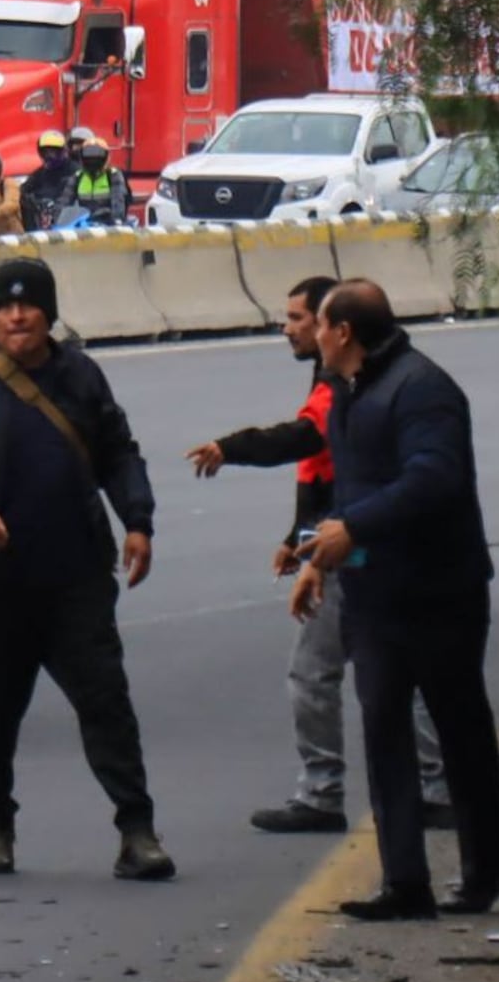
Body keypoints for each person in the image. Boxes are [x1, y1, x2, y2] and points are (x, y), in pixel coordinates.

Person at [0, 257, 174, 882]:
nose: (16, 317)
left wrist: (138, 521)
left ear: (49, 314)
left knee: (106, 702)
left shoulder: (81, 376)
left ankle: (137, 831)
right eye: (4, 308)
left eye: (27, 306)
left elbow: (118, 453)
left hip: (76, 577)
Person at [186, 276, 452, 834]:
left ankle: (327, 794)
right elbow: (328, 471)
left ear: (340, 329)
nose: (289, 330)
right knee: (399, 669)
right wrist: (297, 538)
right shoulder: (359, 380)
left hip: (359, 550)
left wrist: (230, 449)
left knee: (319, 672)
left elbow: (309, 443)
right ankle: (433, 789)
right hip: (353, 544)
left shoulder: (359, 387)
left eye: (301, 320)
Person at [292, 279, 499, 921]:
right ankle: (404, 881)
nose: (312, 337)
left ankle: (482, 876)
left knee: (461, 733)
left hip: (440, 593)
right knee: (384, 731)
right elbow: (349, 490)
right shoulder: (348, 391)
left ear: (344, 333)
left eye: (318, 325)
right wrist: (317, 557)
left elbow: (434, 478)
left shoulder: (421, 388)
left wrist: (353, 529)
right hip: (374, 596)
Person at [20, 130, 77, 228]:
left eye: (53, 152)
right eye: (46, 152)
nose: (49, 156)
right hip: (41, 219)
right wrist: (35, 202)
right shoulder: (40, 173)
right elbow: (24, 190)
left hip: (67, 219)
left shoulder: (74, 170)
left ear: (62, 151)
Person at [70, 137, 131, 224]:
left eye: (97, 156)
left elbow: (118, 199)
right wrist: (56, 219)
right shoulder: (78, 176)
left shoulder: (113, 175)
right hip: (83, 222)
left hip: (108, 223)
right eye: (88, 156)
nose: (93, 160)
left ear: (106, 156)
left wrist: (117, 218)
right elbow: (64, 200)